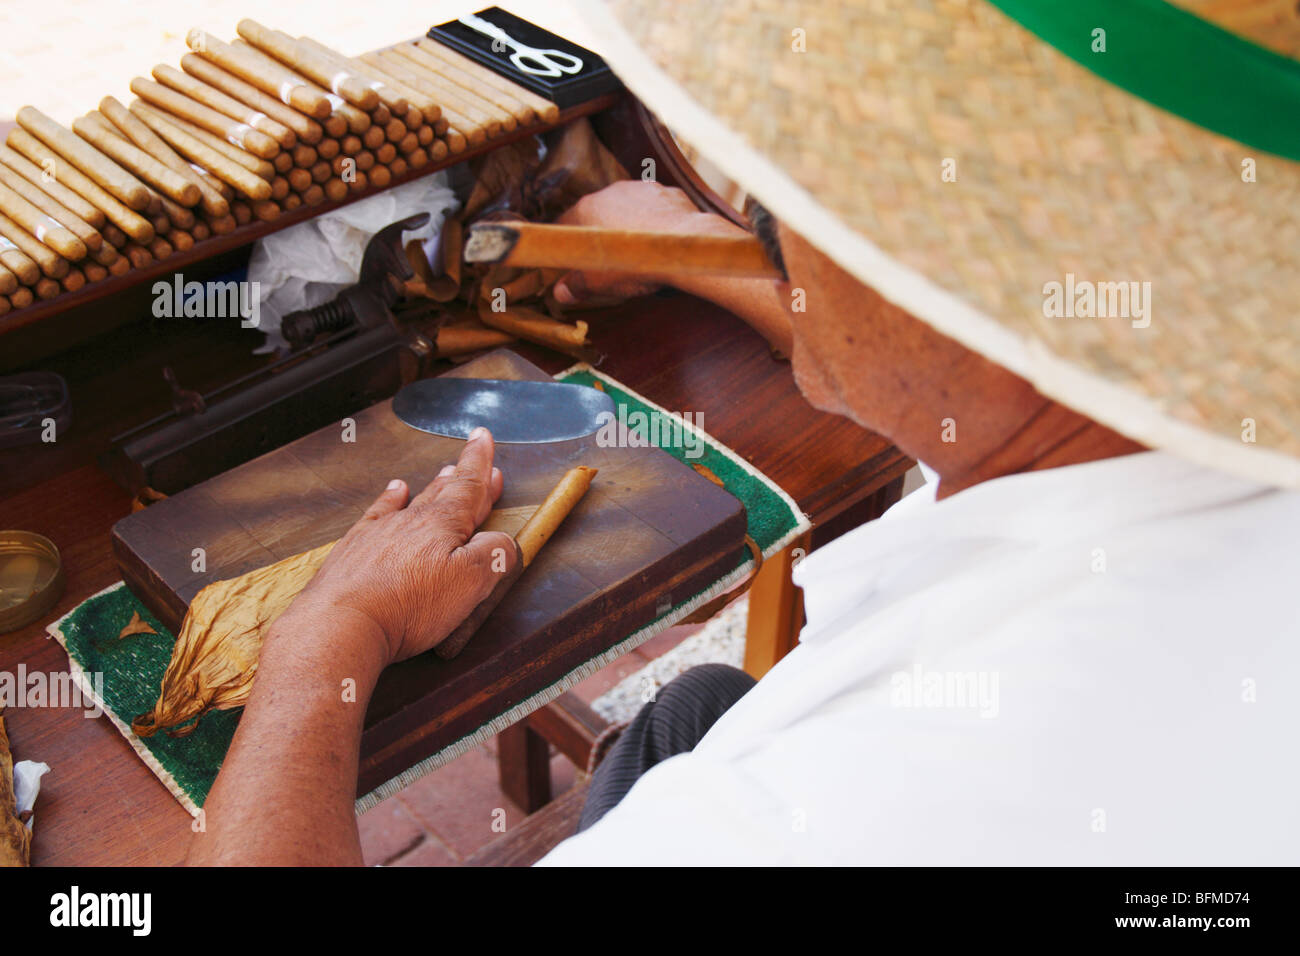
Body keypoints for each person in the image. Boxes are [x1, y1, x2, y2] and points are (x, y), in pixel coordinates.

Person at [188, 0, 1300, 864]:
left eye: (775, 197)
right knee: (692, 708)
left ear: (970, 276)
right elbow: (935, 354)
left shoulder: (807, 815)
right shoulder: (1169, 429)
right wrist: (676, 242)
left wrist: (323, 638)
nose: (753, 221)